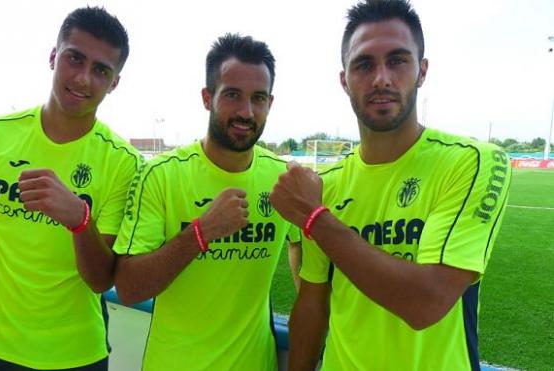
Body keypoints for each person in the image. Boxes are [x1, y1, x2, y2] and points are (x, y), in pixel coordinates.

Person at [269, 0, 512, 370]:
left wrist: (315, 217)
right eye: (364, 64)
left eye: (397, 60)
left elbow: (426, 301)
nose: (381, 78)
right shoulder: (327, 186)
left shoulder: (473, 161)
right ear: (344, 79)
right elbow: (313, 303)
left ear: (422, 71)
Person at [0, 6, 141, 371]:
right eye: (75, 59)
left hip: (77, 356)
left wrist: (79, 219)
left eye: (101, 70)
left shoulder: (124, 161)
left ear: (114, 83)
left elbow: (100, 279)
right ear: (53, 57)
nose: (84, 78)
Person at [112, 33, 300, 371]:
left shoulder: (283, 178)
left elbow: (307, 264)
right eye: (232, 95)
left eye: (258, 98)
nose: (246, 111)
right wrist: (201, 233)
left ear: (270, 103)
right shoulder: (161, 175)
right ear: (206, 97)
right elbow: (127, 288)